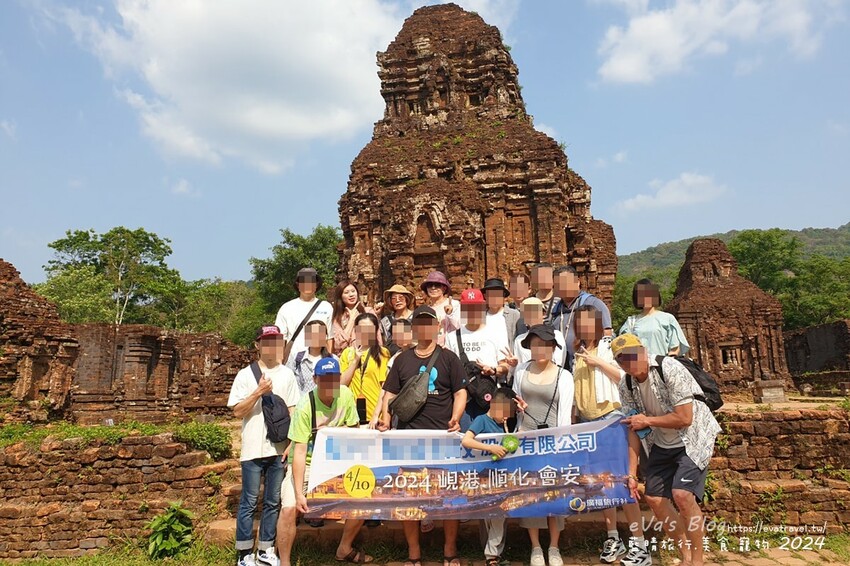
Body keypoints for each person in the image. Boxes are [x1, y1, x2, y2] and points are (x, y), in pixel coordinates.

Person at [612, 334, 721, 566]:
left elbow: (685, 418)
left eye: (633, 354)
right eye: (622, 359)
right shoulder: (626, 384)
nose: (630, 362)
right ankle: (686, 556)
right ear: (618, 363)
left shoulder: (668, 368)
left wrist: (648, 421)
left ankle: (698, 561)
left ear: (643, 350)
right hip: (661, 442)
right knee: (653, 498)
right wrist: (631, 473)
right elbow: (633, 429)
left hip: (692, 438)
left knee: (682, 495)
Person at [379, 305, 468, 566]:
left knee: (448, 497)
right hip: (408, 437)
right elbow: (390, 393)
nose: (424, 328)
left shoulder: (448, 358)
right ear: (414, 328)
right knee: (409, 497)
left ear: (437, 327)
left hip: (441, 435)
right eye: (419, 323)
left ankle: (450, 551)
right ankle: (414, 554)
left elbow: (460, 391)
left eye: (430, 323)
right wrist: (386, 417)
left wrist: (456, 416)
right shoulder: (402, 360)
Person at [571, 307, 652, 566]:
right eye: (579, 322)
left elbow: (626, 377)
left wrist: (599, 362)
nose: (583, 327)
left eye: (588, 322)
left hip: (611, 419)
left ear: (597, 324)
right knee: (602, 484)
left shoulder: (608, 347)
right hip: (587, 423)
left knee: (622, 482)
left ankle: (639, 544)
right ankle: (613, 537)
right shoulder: (577, 352)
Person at [277, 357, 372, 565]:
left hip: (337, 461)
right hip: (309, 462)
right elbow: (300, 452)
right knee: (288, 509)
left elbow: (354, 430)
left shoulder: (345, 395)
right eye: (325, 379)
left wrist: (330, 431)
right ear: (315, 379)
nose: (330, 384)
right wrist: (299, 493)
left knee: (365, 496)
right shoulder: (305, 406)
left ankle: (344, 548)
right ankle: (284, 561)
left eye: (334, 379)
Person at [227, 326, 300, 566]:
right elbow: (237, 411)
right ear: (257, 345)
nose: (271, 346)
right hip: (252, 448)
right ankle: (244, 551)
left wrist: (291, 443)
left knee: (272, 501)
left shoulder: (287, 375)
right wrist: (258, 392)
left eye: (276, 341)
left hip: (277, 448)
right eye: (266, 341)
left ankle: (266, 549)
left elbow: (292, 411)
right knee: (248, 500)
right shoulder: (245, 375)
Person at [512, 324, 574, 566]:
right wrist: (517, 411)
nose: (540, 349)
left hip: (553, 441)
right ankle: (536, 547)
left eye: (545, 344)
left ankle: (554, 546)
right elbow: (516, 402)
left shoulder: (564, 376)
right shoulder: (521, 371)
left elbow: (566, 414)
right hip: (526, 439)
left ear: (552, 347)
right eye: (535, 344)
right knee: (532, 494)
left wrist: (563, 445)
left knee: (553, 492)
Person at [460, 387, 517, 566]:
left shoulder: (507, 422)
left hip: (503, 476)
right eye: (505, 412)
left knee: (500, 514)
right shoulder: (481, 420)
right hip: (484, 476)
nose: (507, 416)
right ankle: (492, 555)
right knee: (489, 514)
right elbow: (466, 440)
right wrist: (491, 448)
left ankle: (492, 554)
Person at [445, 288, 510, 427]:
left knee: (492, 443)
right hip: (463, 400)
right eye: (468, 308)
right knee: (464, 441)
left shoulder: (495, 333)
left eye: (476, 307)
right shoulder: (452, 337)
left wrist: (493, 370)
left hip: (489, 397)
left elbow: (505, 366)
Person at [551, 265, 613, 369]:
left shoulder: (593, 304)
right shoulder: (556, 310)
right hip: (561, 367)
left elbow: (607, 334)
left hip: (588, 364)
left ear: (577, 281)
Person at [340, 313, 391, 426]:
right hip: (351, 416)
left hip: (374, 417)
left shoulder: (382, 353)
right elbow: (342, 384)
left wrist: (377, 415)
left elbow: (385, 387)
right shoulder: (347, 353)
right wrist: (355, 361)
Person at [275, 268, 333, 364]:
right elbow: (280, 339)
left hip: (319, 361)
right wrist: (279, 363)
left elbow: (330, 338)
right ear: (298, 285)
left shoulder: (326, 307)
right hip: (293, 361)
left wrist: (328, 361)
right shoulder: (287, 307)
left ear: (316, 284)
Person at [619, 279, 689, 358]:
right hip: (638, 367)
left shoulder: (668, 319)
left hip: (662, 365)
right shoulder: (631, 322)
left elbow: (674, 349)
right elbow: (624, 347)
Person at [370, 318, 415, 429]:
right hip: (400, 411)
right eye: (396, 334)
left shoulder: (425, 352)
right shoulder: (394, 359)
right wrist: (376, 414)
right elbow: (386, 389)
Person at [512, 298, 566, 367]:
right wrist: (514, 365)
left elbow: (559, 363)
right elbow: (520, 366)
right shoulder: (519, 340)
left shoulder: (556, 335)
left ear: (543, 313)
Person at [286, 320, 333, 397]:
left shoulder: (333, 360)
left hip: (324, 407)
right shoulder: (296, 358)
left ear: (325, 337)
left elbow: (337, 388)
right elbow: (288, 382)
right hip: (300, 406)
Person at [331, 280, 376, 355]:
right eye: (346, 292)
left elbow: (376, 339)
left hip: (367, 356)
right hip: (345, 360)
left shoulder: (368, 312)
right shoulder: (337, 318)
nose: (351, 295)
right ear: (340, 296)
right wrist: (352, 320)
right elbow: (338, 345)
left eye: (353, 291)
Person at [420, 271, 461, 346]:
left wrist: (450, 314)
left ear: (444, 288)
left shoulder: (454, 304)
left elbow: (460, 327)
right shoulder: (426, 309)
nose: (433, 288)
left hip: (450, 348)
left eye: (437, 285)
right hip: (432, 349)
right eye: (430, 285)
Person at [482, 277, 521, 355]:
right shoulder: (480, 316)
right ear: (485, 296)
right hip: (486, 361)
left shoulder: (514, 315)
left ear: (503, 296)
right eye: (491, 294)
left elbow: (520, 339)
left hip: (509, 362)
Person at [379, 284, 415, 353]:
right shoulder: (386, 321)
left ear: (406, 299)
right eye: (394, 298)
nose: (397, 300)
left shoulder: (415, 317)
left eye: (401, 297)